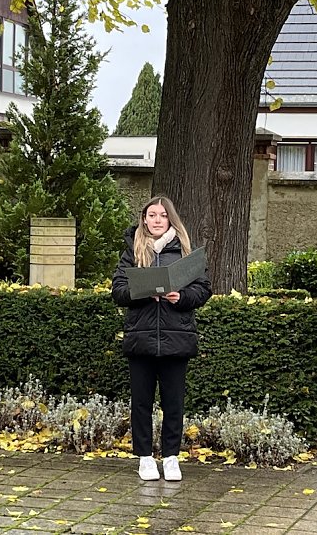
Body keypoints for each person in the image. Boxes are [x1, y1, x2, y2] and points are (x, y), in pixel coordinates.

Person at [111, 196, 212, 482]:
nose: (156, 220)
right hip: (140, 339)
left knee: (173, 402)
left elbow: (203, 290)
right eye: (151, 215)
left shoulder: (184, 252)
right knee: (141, 402)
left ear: (171, 220)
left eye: (162, 215)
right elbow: (117, 290)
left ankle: (170, 457)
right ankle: (144, 458)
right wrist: (143, 292)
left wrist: (181, 297)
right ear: (144, 219)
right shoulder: (132, 252)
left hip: (176, 338)